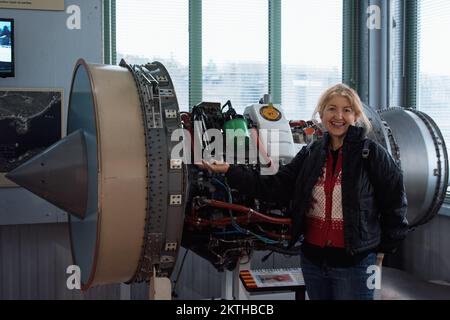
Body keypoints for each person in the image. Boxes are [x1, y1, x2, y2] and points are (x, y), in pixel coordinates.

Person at [198, 83, 409, 300]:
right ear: (321, 113)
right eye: (332, 108)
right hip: (314, 262)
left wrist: (380, 250)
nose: (339, 116)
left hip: (355, 265)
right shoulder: (311, 153)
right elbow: (276, 186)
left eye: (346, 110)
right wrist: (229, 170)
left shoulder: (372, 154)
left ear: (356, 116)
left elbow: (395, 204)